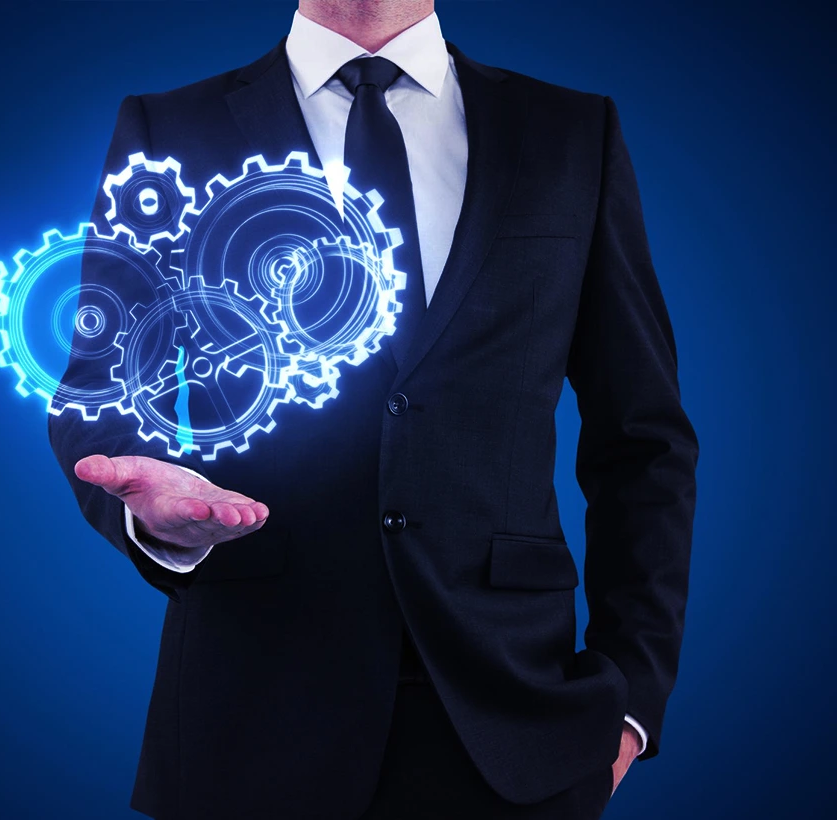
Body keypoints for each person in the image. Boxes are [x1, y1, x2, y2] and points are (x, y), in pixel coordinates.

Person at [48, 1, 699, 818]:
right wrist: (155, 518)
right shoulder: (169, 127)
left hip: (518, 724)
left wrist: (630, 701)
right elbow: (100, 391)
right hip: (251, 717)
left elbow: (642, 438)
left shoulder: (571, 131)